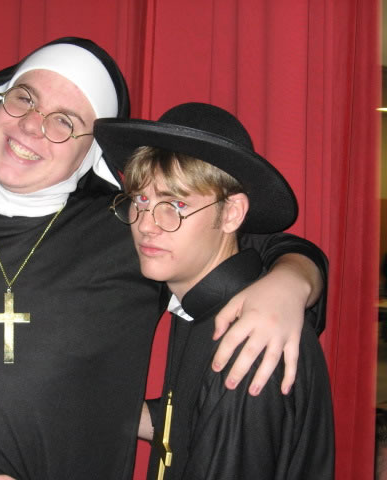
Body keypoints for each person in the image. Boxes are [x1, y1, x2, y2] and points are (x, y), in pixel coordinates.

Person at [0, 38, 326, 480]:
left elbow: (237, 252)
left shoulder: (130, 231)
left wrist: (293, 281)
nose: (32, 126)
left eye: (64, 121)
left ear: (90, 151)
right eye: (24, 99)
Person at [95, 102, 334, 479]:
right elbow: (194, 422)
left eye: (175, 204)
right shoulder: (201, 302)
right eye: (141, 199)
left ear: (232, 213)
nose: (147, 225)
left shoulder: (247, 341)